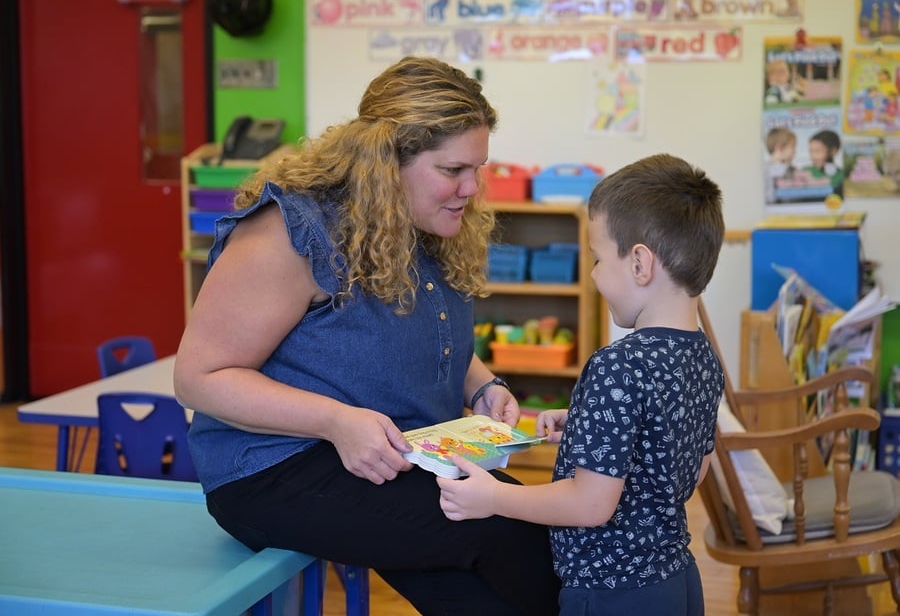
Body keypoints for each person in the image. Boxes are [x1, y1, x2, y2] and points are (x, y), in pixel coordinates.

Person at [173, 56, 560, 616]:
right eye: (453, 170)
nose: (472, 188)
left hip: (390, 455)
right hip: (273, 468)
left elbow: (420, 327)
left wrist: (480, 383)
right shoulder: (289, 234)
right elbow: (200, 378)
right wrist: (336, 420)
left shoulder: (418, 219)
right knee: (506, 532)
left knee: (520, 548)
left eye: (478, 168)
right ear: (386, 162)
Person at [438, 153, 726, 616]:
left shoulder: (618, 365)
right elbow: (690, 467)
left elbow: (591, 505)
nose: (592, 275)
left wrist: (493, 496)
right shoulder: (703, 356)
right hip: (677, 580)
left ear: (639, 264)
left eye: (596, 258)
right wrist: (586, 422)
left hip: (613, 592)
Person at [804, 128, 844, 196]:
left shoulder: (841, 176)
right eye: (811, 151)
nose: (813, 156)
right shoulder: (805, 171)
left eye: (817, 151)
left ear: (833, 151)